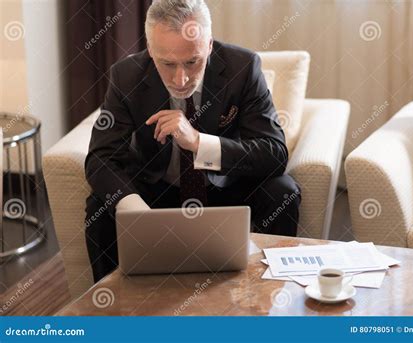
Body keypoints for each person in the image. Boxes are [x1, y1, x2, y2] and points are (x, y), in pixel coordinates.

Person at [84, 0, 301, 282]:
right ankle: (110, 308)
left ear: (209, 45)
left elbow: (274, 154)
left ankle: (271, 293)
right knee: (100, 207)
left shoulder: (243, 68)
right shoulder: (126, 76)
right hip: (156, 195)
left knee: (283, 190)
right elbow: (100, 158)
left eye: (192, 62)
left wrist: (199, 143)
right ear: (150, 51)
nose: (181, 78)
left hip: (227, 192)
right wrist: (136, 213)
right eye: (167, 64)